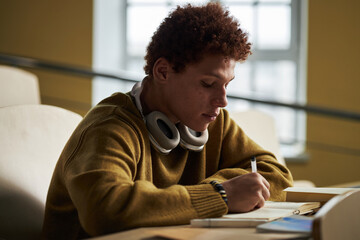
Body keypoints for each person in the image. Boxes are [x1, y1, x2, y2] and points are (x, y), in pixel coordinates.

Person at [42, 2, 293, 239]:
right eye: (208, 84)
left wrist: (213, 192)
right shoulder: (108, 127)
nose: (222, 100)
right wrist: (221, 195)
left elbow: (277, 174)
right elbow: (105, 210)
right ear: (163, 71)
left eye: (227, 85)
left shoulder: (215, 122)